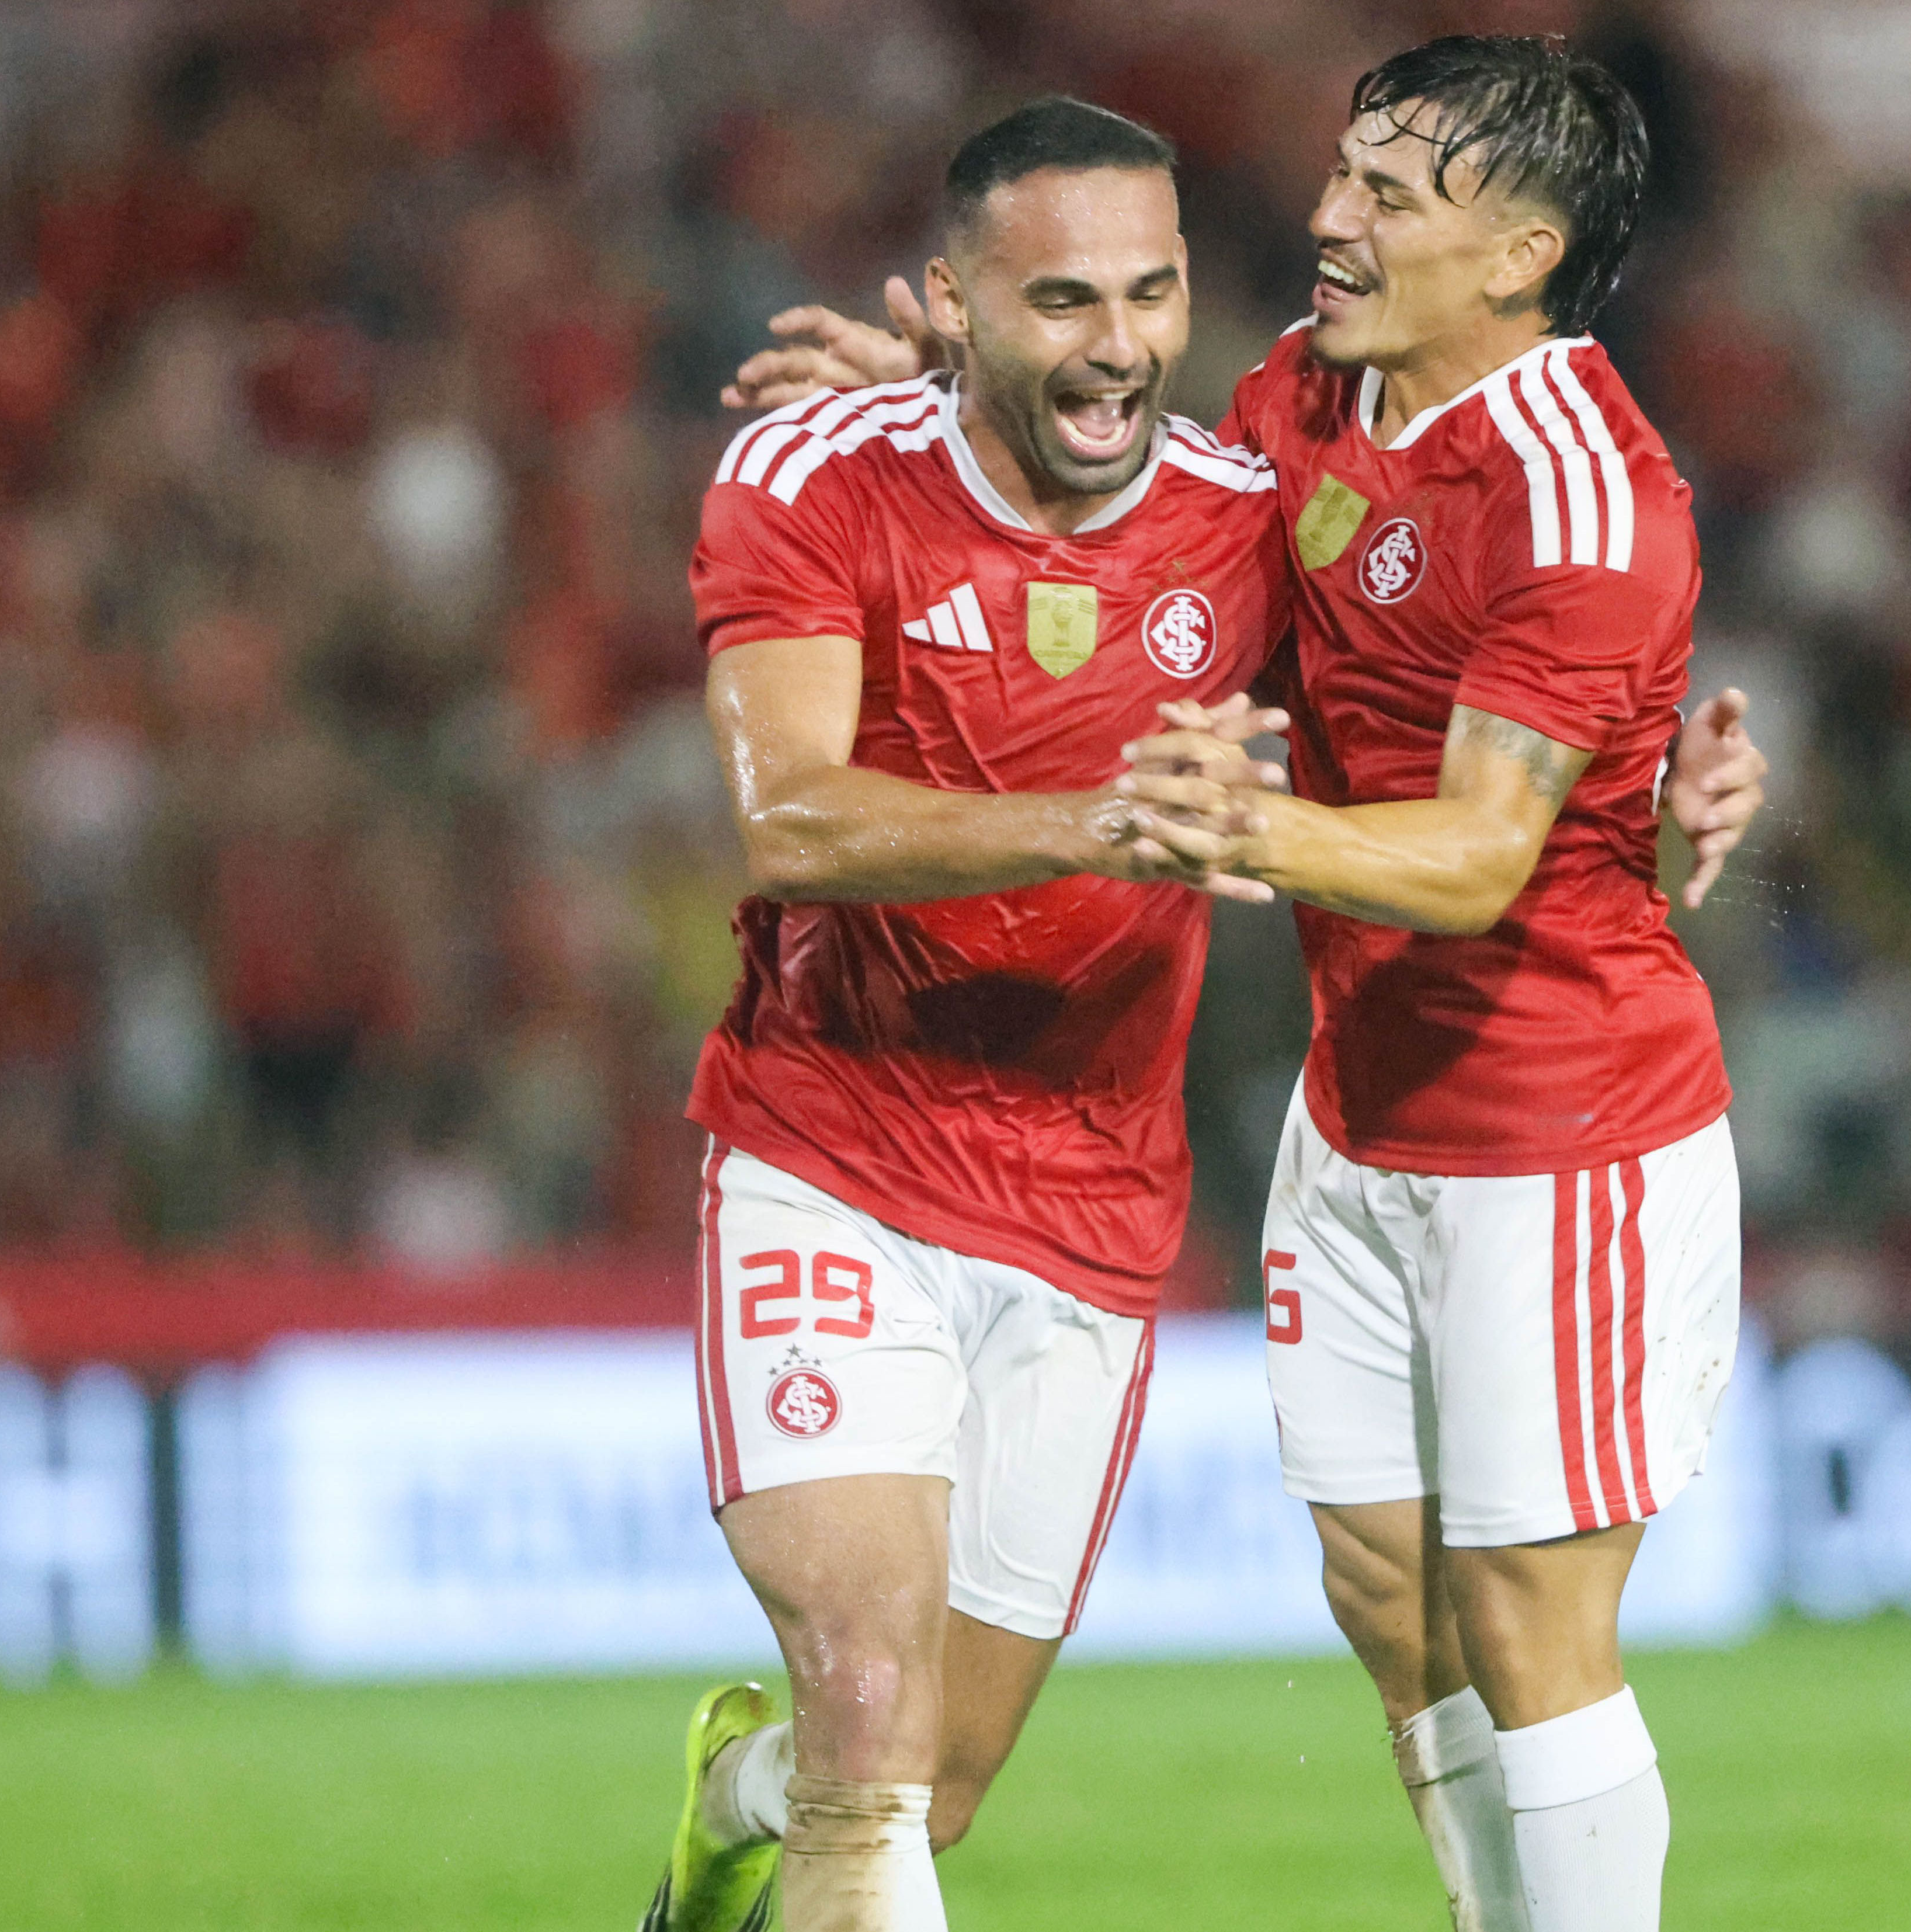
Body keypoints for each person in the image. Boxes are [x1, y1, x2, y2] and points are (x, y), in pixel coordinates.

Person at [728, 37, 1758, 1932]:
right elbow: (1168, 509)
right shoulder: (1315, 395)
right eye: (1347, 172)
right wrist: (959, 416)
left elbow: (1475, 857)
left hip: (1564, 1129)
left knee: (1529, 1615)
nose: (1329, 216)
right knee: (1392, 1605)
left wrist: (1212, 826)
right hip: (1357, 1116)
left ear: (1518, 248)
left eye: (1390, 191)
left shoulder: (1589, 500)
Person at [646, 98, 1296, 1932]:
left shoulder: (1247, 525)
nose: (1121, 348)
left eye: (1153, 296)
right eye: (1064, 302)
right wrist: (1103, 818)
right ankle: (804, 1783)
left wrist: (1660, 800)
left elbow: (1444, 701)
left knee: (923, 1788)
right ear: (955, 300)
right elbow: (795, 815)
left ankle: (729, 1807)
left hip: (1090, 1204)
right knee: (869, 1689)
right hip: (834, 1151)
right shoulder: (813, 479)